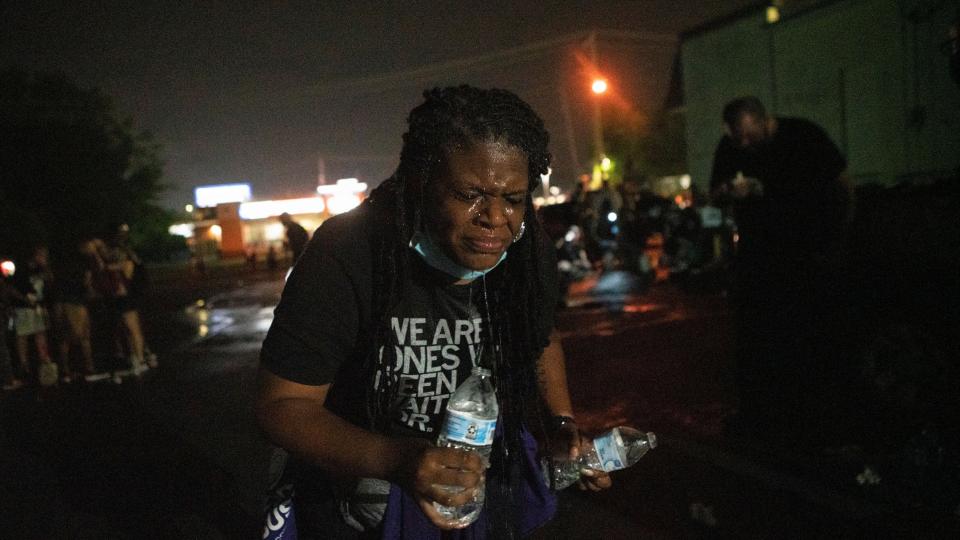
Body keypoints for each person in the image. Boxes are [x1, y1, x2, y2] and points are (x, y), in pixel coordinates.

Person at [256, 86, 610, 539]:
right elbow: (281, 406)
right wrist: (397, 460)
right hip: (360, 494)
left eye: (514, 199)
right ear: (421, 181)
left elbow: (540, 336)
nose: (496, 218)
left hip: (479, 486)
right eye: (470, 194)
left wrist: (561, 426)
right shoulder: (350, 251)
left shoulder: (526, 249)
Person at [709, 96, 854, 439]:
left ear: (763, 121)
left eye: (749, 135)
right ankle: (763, 414)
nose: (744, 145)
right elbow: (714, 192)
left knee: (807, 333)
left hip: (806, 254)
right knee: (757, 336)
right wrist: (731, 190)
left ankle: (815, 415)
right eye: (737, 138)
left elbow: (844, 186)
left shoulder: (804, 137)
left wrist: (840, 239)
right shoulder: (730, 149)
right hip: (758, 259)